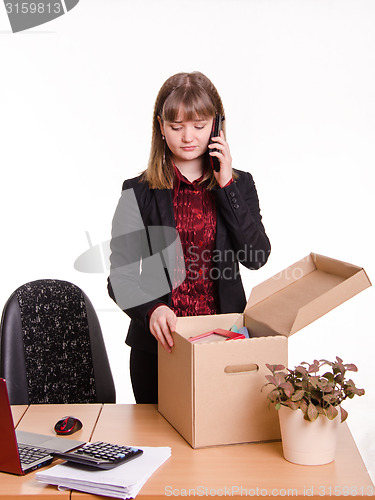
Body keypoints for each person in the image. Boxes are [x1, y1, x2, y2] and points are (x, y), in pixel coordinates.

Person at [108, 71, 271, 404]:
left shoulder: (240, 185)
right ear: (160, 126)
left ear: (216, 125)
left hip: (224, 345)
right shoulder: (138, 192)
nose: (187, 137)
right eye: (176, 126)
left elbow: (256, 257)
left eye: (198, 126)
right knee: (162, 448)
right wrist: (151, 310)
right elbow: (119, 278)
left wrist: (227, 186)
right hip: (159, 348)